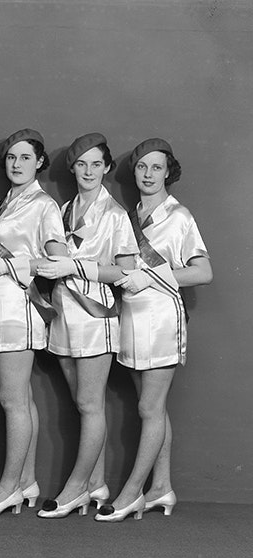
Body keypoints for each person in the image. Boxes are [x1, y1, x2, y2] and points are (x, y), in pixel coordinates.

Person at [96, 138, 212, 522]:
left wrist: (154, 276)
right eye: (142, 167)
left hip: (162, 318)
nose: (148, 174)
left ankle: (132, 493)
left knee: (149, 407)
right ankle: (161, 487)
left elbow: (202, 271)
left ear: (168, 172)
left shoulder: (179, 216)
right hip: (129, 317)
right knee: (152, 409)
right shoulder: (128, 215)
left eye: (156, 168)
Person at [36, 133, 138, 518]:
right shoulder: (63, 210)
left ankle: (76, 487)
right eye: (81, 164)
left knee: (89, 404)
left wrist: (77, 266)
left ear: (107, 168)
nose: (89, 171)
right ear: (72, 168)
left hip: (96, 316)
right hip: (64, 315)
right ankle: (97, 484)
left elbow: (127, 270)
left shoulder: (114, 214)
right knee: (80, 403)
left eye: (97, 164)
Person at [0, 129, 65, 517]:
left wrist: (11, 263)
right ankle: (26, 482)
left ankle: (7, 488)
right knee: (19, 398)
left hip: (19, 308)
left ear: (39, 162)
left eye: (25, 157)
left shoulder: (44, 205)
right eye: (11, 157)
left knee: (11, 400)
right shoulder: (3, 203)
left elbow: (57, 262)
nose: (16, 164)